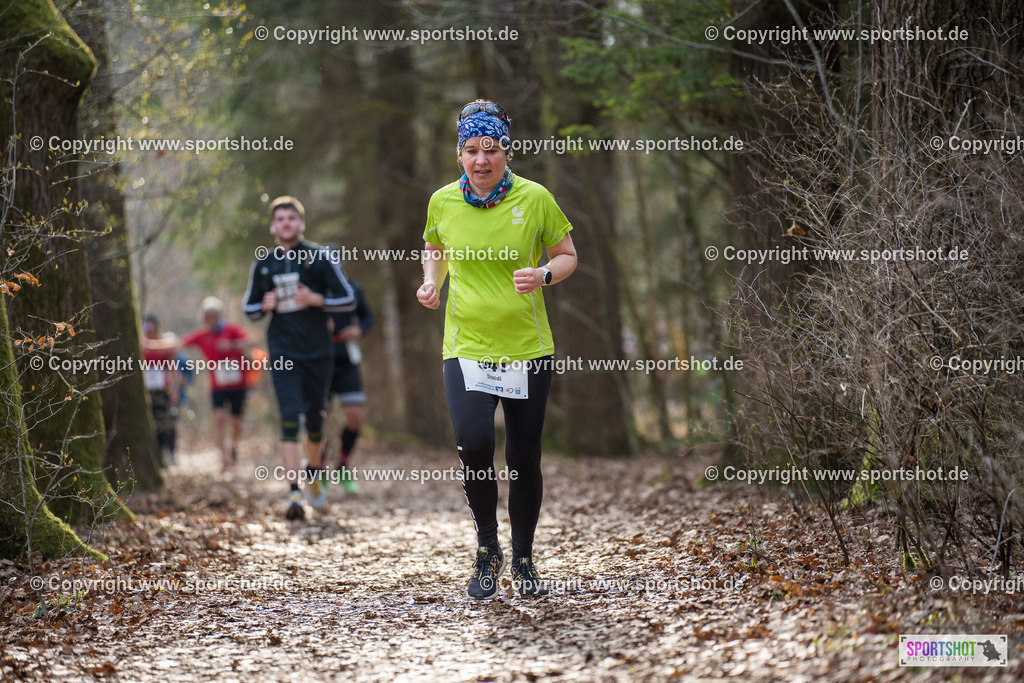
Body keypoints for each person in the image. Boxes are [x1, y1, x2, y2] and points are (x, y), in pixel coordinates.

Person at [417, 99, 578, 598]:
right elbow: (435, 246)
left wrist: (544, 274)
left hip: (526, 349)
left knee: (523, 456)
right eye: (471, 150)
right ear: (459, 154)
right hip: (465, 345)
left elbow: (568, 254)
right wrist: (431, 281)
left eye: (491, 149)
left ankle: (525, 559)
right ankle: (488, 550)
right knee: (474, 446)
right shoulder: (443, 201)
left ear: (506, 151)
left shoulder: (536, 199)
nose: (481, 160)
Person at [243, 196, 356, 520]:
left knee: (316, 420)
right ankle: (294, 492)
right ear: (272, 226)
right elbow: (249, 309)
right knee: (289, 418)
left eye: (292, 219)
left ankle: (314, 473)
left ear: (301, 224)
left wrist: (315, 298)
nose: (286, 224)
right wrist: (264, 305)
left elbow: (347, 298)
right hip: (282, 352)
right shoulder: (264, 264)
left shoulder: (319, 258)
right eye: (280, 220)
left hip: (318, 352)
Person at [181, 297, 251, 471]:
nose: (210, 319)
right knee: (219, 419)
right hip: (217, 386)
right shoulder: (203, 335)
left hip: (238, 384)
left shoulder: (231, 329)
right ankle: (224, 457)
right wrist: (150, 344)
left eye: (213, 315)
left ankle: (233, 446)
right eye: (206, 316)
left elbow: (250, 341)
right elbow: (179, 344)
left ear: (219, 315)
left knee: (236, 422)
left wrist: (231, 345)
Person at [326, 278, 374, 495]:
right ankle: (318, 472)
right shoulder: (312, 289)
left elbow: (367, 317)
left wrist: (359, 330)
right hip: (320, 361)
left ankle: (342, 467)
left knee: (355, 418)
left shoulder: (354, 289)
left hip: (347, 359)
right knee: (319, 421)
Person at [140, 314, 182, 467]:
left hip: (163, 389)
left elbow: (172, 367)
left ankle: (170, 451)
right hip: (146, 389)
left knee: (167, 420)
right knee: (152, 420)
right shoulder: (140, 343)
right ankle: (156, 453)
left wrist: (175, 389)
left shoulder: (166, 343)